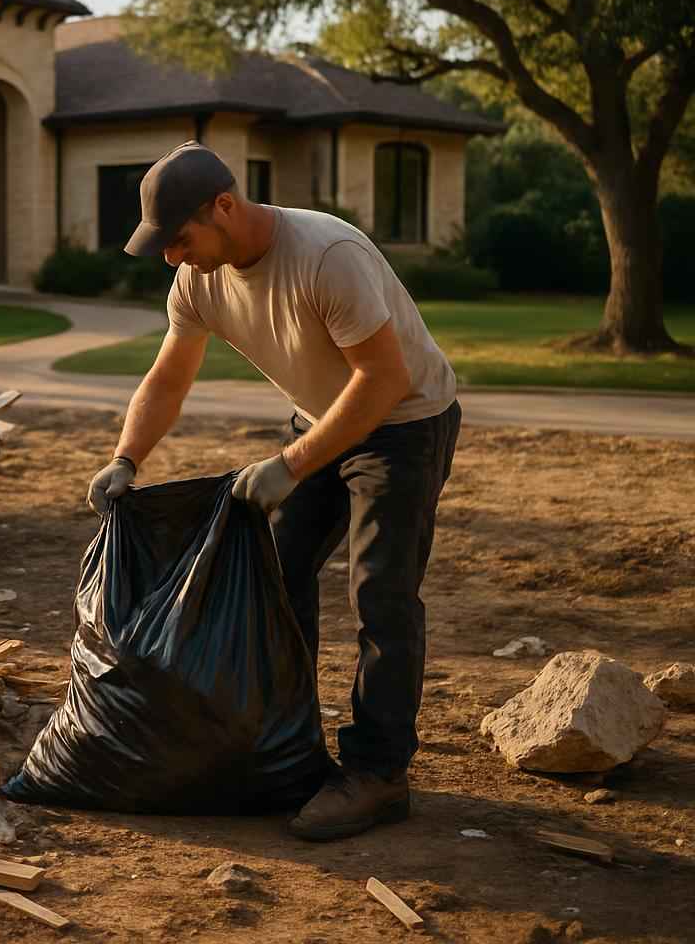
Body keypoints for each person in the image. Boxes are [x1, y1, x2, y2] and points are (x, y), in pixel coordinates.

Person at [87, 141, 461, 841]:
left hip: (405, 423)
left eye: (179, 239)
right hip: (323, 419)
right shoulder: (199, 280)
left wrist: (291, 464)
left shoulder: (326, 255)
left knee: (381, 591)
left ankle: (379, 775)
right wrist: (126, 459)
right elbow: (169, 377)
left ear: (224, 206)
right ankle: (289, 750)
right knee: (274, 576)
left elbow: (381, 381)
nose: (172, 257)